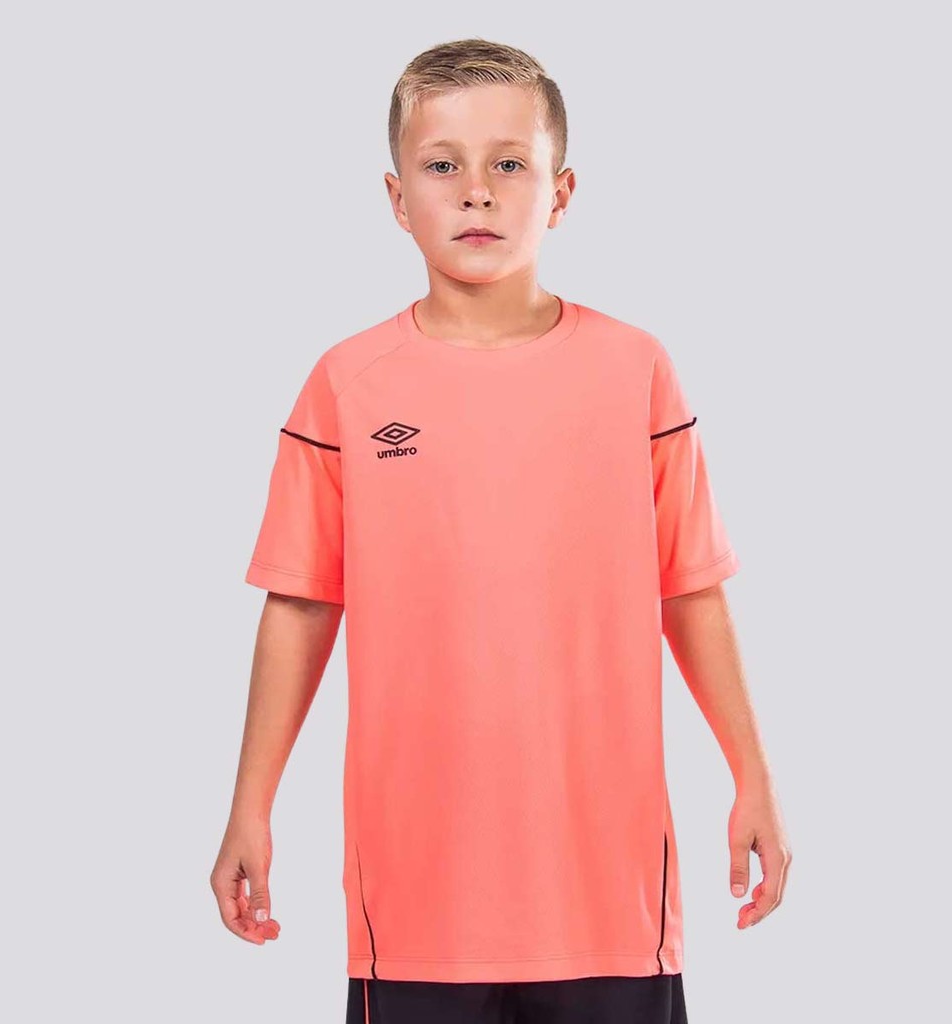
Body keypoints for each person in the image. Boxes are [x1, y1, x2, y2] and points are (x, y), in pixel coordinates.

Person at [210, 36, 791, 1024]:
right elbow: (301, 604)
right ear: (397, 198)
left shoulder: (635, 371)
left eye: (508, 163)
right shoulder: (348, 384)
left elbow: (691, 587)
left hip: (609, 898)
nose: (476, 191)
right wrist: (249, 807)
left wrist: (754, 777)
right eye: (442, 165)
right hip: (415, 902)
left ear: (560, 193)